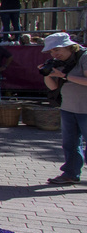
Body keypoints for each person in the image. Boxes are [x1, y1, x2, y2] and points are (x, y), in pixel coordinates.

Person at [41, 32, 87, 185]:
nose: (54, 54)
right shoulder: (59, 62)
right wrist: (47, 74)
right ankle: (70, 174)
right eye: (51, 51)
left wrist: (65, 76)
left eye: (57, 49)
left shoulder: (84, 57)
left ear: (69, 46)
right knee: (70, 143)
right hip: (68, 107)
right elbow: (53, 87)